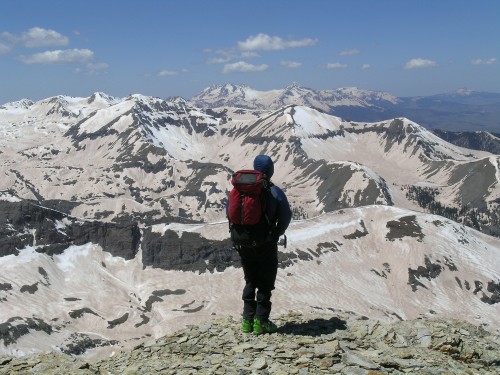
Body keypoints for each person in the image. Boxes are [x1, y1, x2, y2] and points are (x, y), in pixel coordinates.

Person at [229, 155, 292, 334]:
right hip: (265, 243)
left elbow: (229, 212)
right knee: (265, 282)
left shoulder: (240, 189)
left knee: (250, 280)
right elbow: (286, 216)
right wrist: (276, 233)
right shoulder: (274, 191)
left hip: (243, 244)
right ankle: (261, 321)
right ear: (270, 170)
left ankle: (247, 321)